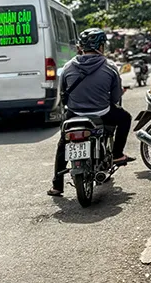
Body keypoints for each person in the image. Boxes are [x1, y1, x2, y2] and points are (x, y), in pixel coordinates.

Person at [48, 27, 133, 196]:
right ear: (101, 47)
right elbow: (115, 97)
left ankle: (57, 186)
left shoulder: (68, 66)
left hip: (74, 114)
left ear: (81, 47)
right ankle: (117, 154)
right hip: (102, 113)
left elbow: (63, 92)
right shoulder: (110, 66)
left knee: (62, 145)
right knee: (125, 118)